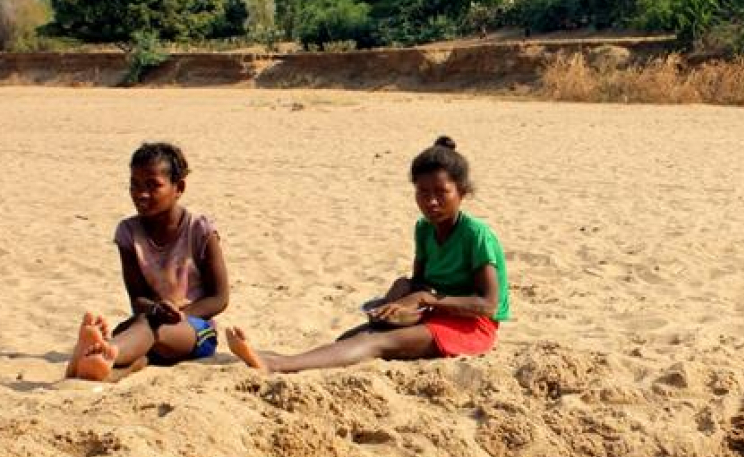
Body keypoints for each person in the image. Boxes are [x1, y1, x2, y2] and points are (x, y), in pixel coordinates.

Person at [227, 136, 508, 373]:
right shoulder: (424, 229)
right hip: (436, 313)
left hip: (472, 326)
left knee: (375, 344)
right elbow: (421, 284)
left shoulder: (476, 235)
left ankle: (276, 365)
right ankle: (278, 358)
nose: (431, 201)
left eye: (441, 192)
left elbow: (487, 305)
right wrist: (399, 297)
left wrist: (425, 299)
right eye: (423, 192)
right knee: (352, 337)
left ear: (462, 192)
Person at [66, 142, 230, 381]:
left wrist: (180, 315)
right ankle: (94, 370)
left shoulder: (200, 230)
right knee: (140, 349)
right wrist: (155, 310)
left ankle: (106, 351)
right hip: (149, 322)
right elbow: (137, 298)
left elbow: (220, 298)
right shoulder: (128, 232)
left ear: (179, 187)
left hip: (196, 331)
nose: (141, 193)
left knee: (149, 329)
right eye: (135, 185)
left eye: (153, 185)